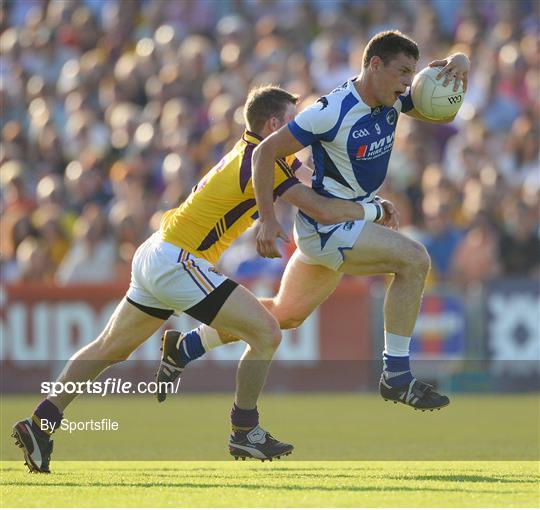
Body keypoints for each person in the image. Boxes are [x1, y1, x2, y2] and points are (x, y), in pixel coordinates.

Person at [12, 85, 390, 472]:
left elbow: (317, 183)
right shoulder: (264, 162)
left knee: (109, 347)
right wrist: (373, 212)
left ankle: (40, 423)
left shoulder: (262, 155)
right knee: (267, 333)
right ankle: (245, 431)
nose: (303, 130)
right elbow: (321, 209)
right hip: (179, 259)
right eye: (295, 120)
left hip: (158, 252)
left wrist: (358, 194)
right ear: (274, 124)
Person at [156, 30, 470, 412]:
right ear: (374, 65)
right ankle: (397, 375)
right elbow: (264, 153)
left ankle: (185, 346)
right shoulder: (330, 110)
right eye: (403, 71)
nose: (409, 81)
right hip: (328, 227)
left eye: (413, 73)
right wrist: (267, 220)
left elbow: (443, 111)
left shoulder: (393, 98)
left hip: (342, 224)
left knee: (285, 315)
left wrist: (461, 63)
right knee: (414, 259)